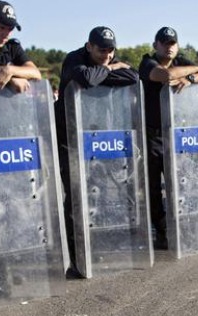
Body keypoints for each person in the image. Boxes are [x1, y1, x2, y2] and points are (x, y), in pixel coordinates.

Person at [55, 26, 139, 277]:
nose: (107, 54)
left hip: (99, 138)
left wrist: (104, 71)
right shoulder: (73, 59)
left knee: (98, 194)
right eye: (101, 49)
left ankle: (96, 247)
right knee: (76, 196)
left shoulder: (104, 60)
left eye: (111, 51)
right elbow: (86, 79)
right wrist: (112, 69)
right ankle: (74, 255)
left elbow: (133, 77)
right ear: (88, 46)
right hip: (69, 138)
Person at [138, 27, 198, 250]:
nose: (169, 46)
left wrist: (191, 77)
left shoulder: (181, 61)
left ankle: (182, 228)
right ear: (156, 45)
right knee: (154, 189)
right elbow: (167, 76)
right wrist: (196, 70)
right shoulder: (147, 62)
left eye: (172, 42)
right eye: (164, 42)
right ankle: (162, 233)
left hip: (177, 135)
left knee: (180, 184)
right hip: (152, 136)